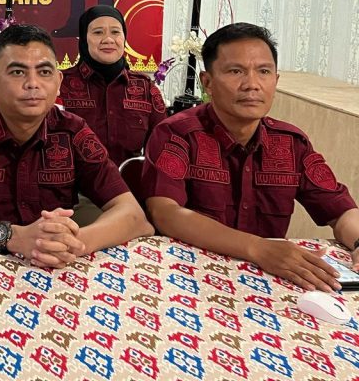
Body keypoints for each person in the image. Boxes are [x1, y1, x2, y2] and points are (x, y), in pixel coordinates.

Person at [0, 24, 152, 267]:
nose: (33, 83)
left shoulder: (73, 131)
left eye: (44, 72)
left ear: (58, 81)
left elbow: (133, 216)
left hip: (51, 269)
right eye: (17, 72)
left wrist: (69, 244)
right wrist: (14, 237)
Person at [142, 22, 359, 291]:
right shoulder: (176, 134)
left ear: (276, 81)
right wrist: (257, 248)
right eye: (236, 71)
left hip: (268, 285)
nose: (252, 85)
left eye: (264, 72)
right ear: (207, 82)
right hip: (189, 279)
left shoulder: (291, 143)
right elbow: (165, 212)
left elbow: (341, 210)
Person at [59, 5, 167, 166]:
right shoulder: (60, 85)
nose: (108, 40)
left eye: (115, 32)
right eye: (98, 32)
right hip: (74, 181)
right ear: (84, 38)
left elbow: (162, 150)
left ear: (124, 38)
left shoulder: (146, 89)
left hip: (128, 181)